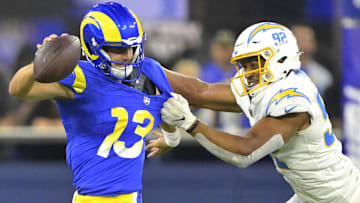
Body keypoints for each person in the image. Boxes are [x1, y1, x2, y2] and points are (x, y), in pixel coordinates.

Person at [148, 22, 360, 203]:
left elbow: (245, 152)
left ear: (280, 58)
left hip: (337, 197)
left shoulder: (293, 98)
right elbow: (201, 92)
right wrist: (144, 66)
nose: (248, 74)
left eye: (254, 64)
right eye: (244, 65)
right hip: (313, 194)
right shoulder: (273, 83)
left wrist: (190, 123)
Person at [9, 2, 180, 202]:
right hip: (90, 197)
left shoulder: (149, 72)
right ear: (93, 46)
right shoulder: (81, 77)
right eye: (118, 49)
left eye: (133, 48)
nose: (128, 56)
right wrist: (40, 62)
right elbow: (18, 89)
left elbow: (167, 108)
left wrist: (171, 138)